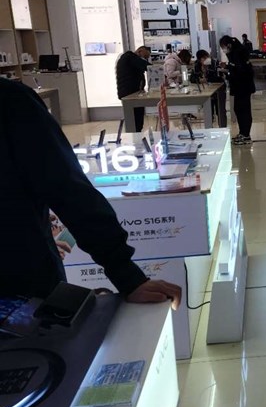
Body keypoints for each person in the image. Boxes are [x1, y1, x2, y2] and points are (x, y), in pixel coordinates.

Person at [0, 78, 182, 306]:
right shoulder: (10, 100)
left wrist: (126, 273)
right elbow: (68, 190)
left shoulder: (10, 100)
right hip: (23, 291)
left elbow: (68, 190)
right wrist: (126, 274)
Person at [220, 34, 256, 145]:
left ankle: (246, 135)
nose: (223, 50)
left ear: (229, 45)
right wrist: (228, 68)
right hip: (240, 86)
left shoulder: (238, 53)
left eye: (223, 47)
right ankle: (242, 133)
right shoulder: (235, 52)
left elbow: (240, 70)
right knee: (238, 109)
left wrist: (228, 73)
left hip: (243, 86)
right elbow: (235, 67)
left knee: (243, 110)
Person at [115, 45, 151, 132]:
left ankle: (136, 135)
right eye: (145, 57)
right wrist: (158, 68)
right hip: (129, 94)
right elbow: (147, 67)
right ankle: (135, 136)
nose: (145, 59)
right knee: (135, 120)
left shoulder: (129, 58)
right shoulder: (129, 57)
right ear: (140, 51)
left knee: (137, 119)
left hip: (132, 93)